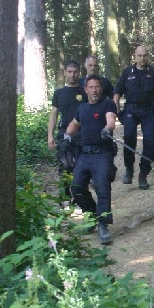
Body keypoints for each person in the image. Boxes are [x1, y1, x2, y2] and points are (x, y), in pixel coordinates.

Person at [65, 74, 117, 245]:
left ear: (101, 89)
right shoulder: (83, 108)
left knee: (102, 186)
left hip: (102, 153)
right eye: (91, 87)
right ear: (86, 90)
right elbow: (73, 126)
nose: (95, 90)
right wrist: (66, 135)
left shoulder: (107, 104)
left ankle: (103, 225)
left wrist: (107, 129)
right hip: (84, 155)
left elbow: (111, 120)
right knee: (77, 187)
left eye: (97, 87)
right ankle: (94, 215)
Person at [113, 45, 154, 190]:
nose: (142, 58)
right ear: (135, 56)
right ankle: (129, 169)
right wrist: (116, 107)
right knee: (129, 138)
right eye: (139, 55)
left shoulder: (153, 72)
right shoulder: (127, 72)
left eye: (145, 55)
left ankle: (143, 174)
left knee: (151, 140)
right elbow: (117, 91)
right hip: (131, 110)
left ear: (148, 56)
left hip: (148, 109)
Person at [48, 60, 88, 206]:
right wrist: (50, 136)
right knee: (65, 166)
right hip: (64, 133)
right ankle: (65, 198)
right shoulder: (59, 93)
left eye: (75, 72)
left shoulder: (85, 91)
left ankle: (79, 198)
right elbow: (53, 115)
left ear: (79, 73)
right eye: (69, 72)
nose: (72, 74)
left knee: (81, 167)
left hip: (83, 134)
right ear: (65, 73)